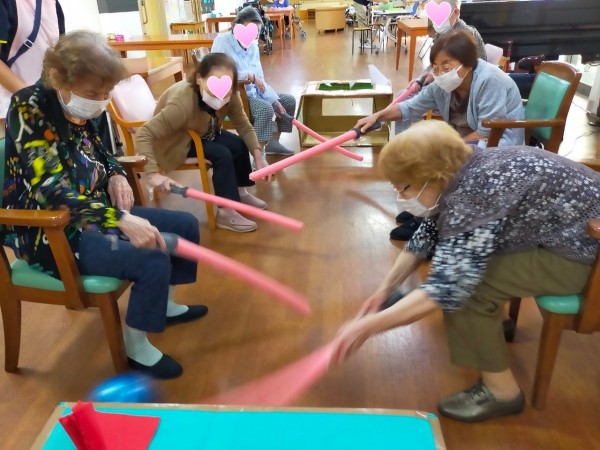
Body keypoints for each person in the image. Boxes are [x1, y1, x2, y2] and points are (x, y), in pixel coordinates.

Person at [331, 119, 600, 422]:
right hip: (575, 240)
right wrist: (384, 290)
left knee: (469, 291)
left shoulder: (475, 192)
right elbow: (429, 233)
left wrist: (366, 327)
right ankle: (491, 325)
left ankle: (502, 392)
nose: (402, 196)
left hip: (589, 256)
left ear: (433, 177)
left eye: (404, 187)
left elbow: (448, 288)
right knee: (463, 262)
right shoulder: (466, 166)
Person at [2, 30, 208, 380]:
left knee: (184, 226)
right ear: (58, 78)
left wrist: (114, 175)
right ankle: (135, 346)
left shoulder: (86, 104)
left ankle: (164, 305)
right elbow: (49, 187)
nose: (100, 102)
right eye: (93, 94)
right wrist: (121, 220)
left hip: (96, 212)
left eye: (105, 93)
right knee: (152, 258)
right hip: (52, 232)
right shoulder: (29, 106)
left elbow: (102, 152)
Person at [358, 30, 524, 241]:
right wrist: (377, 116)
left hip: (496, 142)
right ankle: (427, 210)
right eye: (435, 67)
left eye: (447, 67)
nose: (440, 73)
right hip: (467, 138)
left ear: (468, 63)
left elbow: (486, 132)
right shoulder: (442, 85)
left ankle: (431, 221)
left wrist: (446, 147)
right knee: (425, 151)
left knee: (437, 158)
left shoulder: (490, 80)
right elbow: (409, 106)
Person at [136, 52, 269, 233]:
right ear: (199, 78)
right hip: (176, 140)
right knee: (222, 154)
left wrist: (259, 157)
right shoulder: (182, 102)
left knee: (238, 144)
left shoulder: (231, 94)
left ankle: (239, 193)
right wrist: (152, 173)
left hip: (203, 131)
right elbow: (144, 133)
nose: (220, 95)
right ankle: (226, 212)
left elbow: (244, 126)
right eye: (214, 85)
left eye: (227, 86)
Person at [211, 6, 296, 157]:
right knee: (265, 109)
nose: (255, 35)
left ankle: (274, 143)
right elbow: (217, 74)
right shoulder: (222, 42)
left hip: (255, 94)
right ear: (237, 26)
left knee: (287, 101)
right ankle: (259, 155)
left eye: (257, 31)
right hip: (235, 97)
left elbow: (260, 78)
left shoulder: (253, 45)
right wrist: (249, 76)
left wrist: (274, 99)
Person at [0, 0, 64, 142]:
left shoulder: (53, 4)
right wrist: (33, 98)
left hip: (45, 109)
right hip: (8, 114)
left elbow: (59, 55)